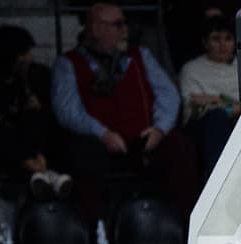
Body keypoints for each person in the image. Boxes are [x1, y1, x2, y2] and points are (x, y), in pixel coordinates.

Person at [51, 2, 198, 222]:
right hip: (99, 142)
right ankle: (95, 231)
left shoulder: (141, 56)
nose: (125, 30)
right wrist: (102, 133)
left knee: (180, 146)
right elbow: (68, 110)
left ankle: (188, 225)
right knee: (83, 153)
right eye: (118, 25)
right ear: (97, 28)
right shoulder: (68, 63)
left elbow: (168, 95)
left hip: (143, 139)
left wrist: (159, 128)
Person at [0, 25, 65, 198]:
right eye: (23, 54)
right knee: (2, 132)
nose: (28, 59)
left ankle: (37, 167)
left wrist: (36, 106)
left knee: (37, 120)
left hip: (32, 138)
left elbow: (50, 115)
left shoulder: (39, 75)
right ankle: (37, 170)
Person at [178, 15, 238, 178]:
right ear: (205, 42)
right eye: (216, 39)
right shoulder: (192, 69)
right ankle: (218, 178)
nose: (222, 44)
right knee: (217, 118)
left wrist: (215, 99)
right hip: (203, 125)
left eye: (228, 38)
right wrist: (233, 106)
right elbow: (194, 105)